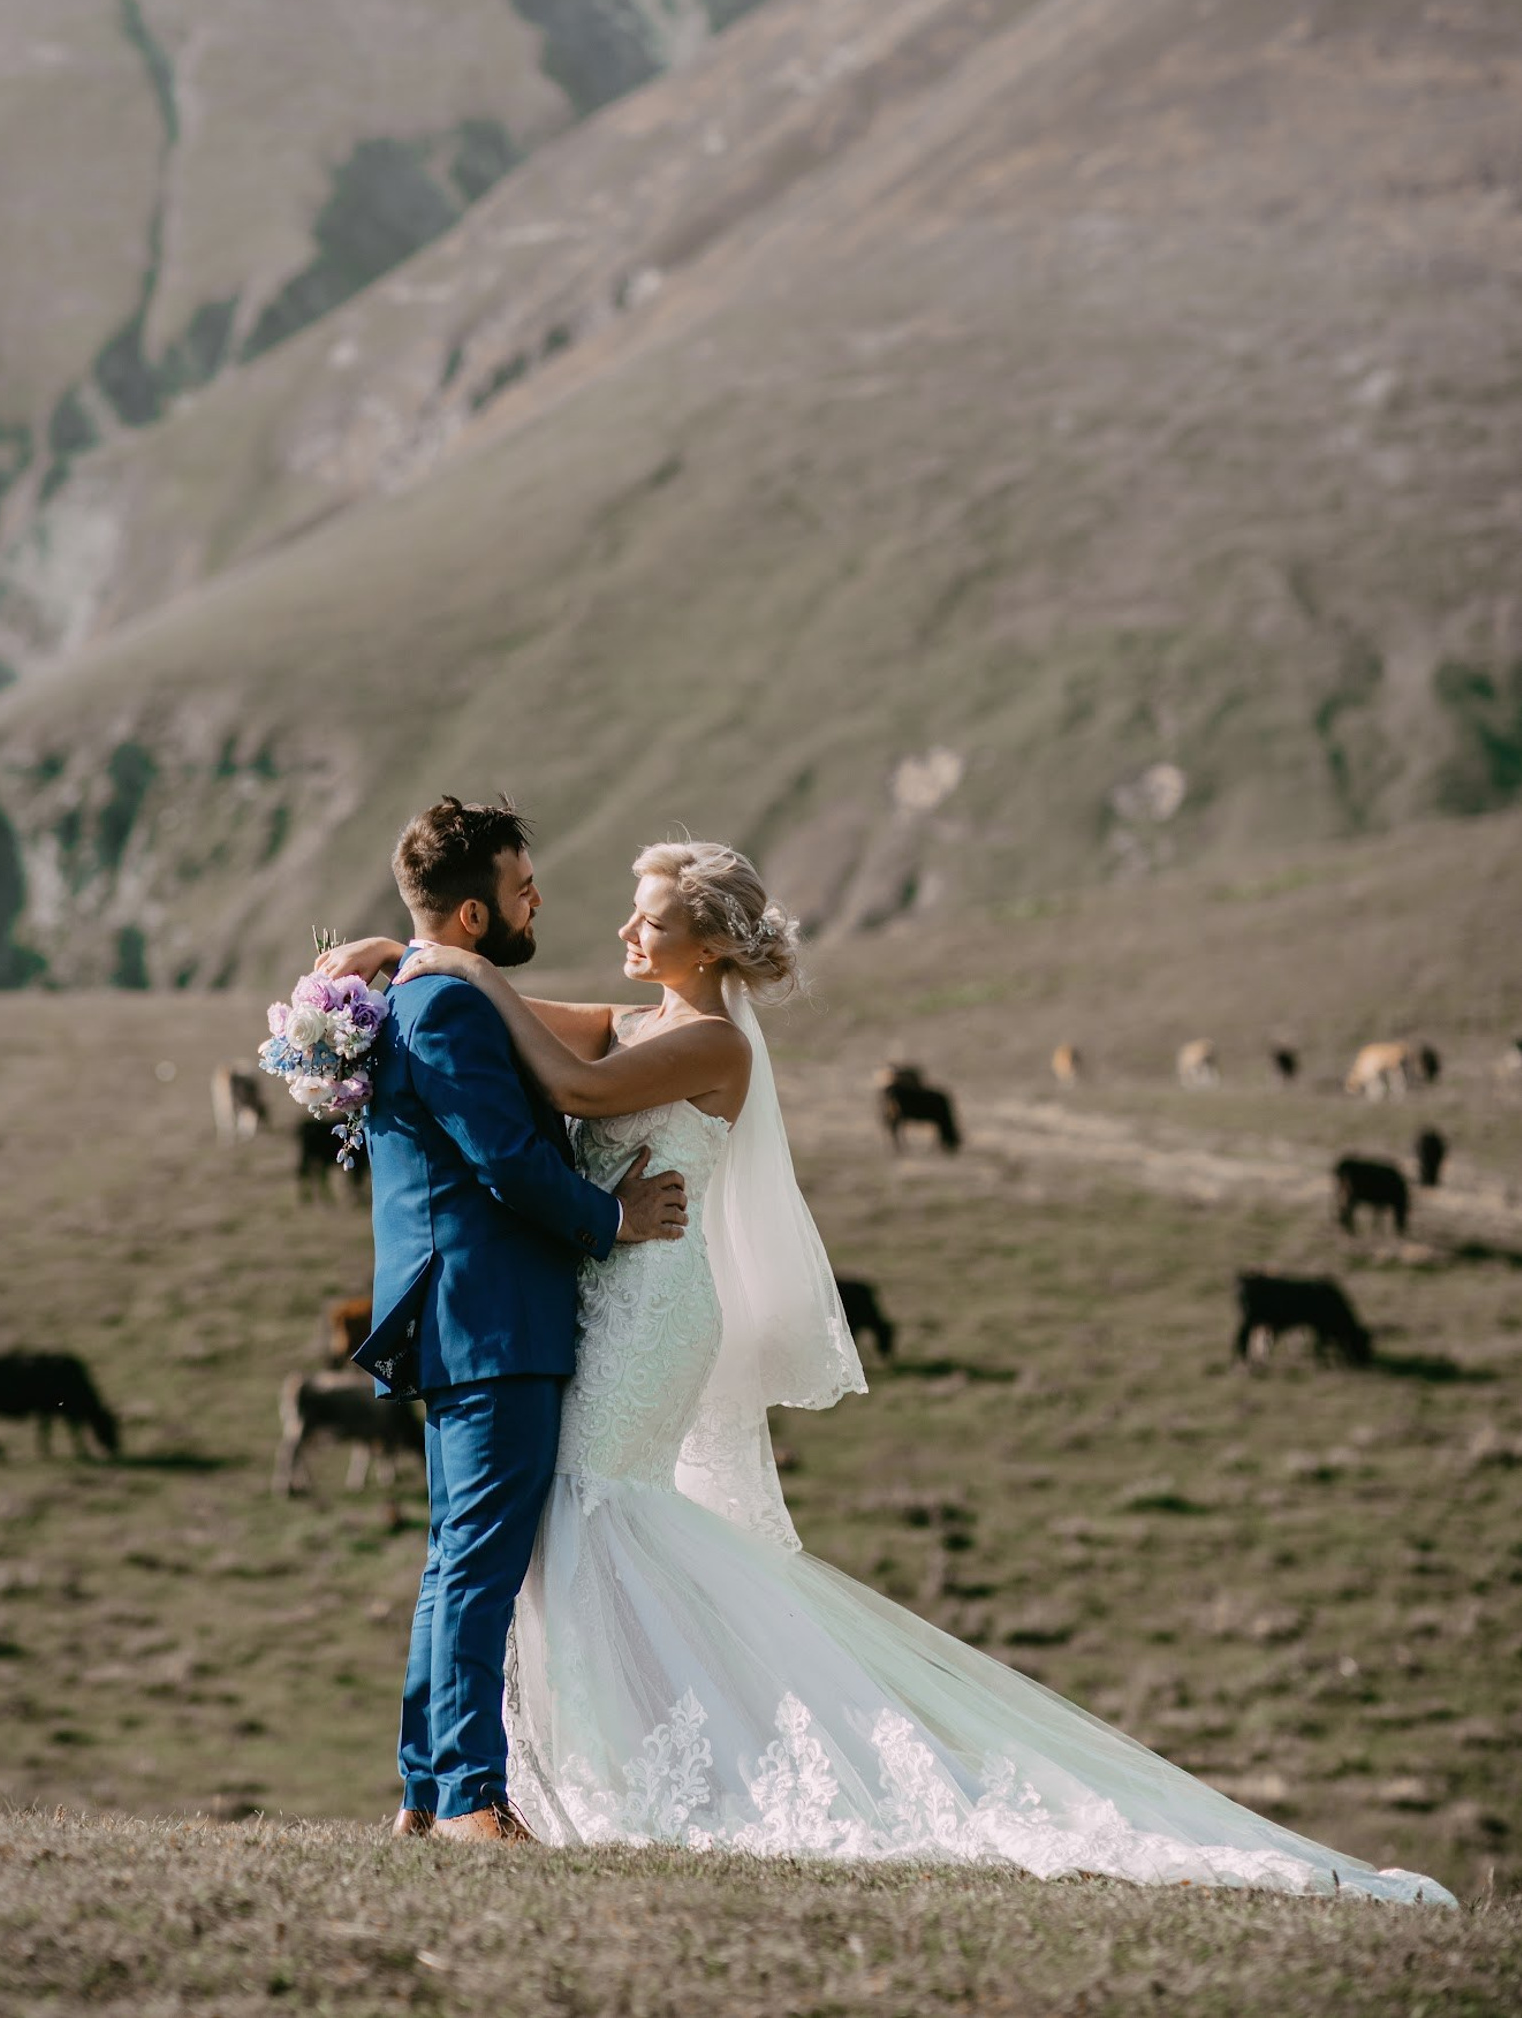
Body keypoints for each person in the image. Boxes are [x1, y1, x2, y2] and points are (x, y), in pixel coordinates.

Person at [324, 835, 1454, 1902]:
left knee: (598, 1513)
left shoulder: (710, 1044)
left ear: (708, 946)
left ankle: (590, 1774)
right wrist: (402, 958)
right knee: (577, 1527)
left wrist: (452, 962)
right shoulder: (639, 1019)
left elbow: (561, 1083)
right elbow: (519, 1017)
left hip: (651, 1310)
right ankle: (544, 1774)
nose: (625, 928)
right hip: (605, 1297)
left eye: (650, 917)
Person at [348, 797, 689, 1844]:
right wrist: (612, 1217)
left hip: (470, 1312)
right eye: (520, 885)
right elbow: (504, 1161)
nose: (537, 894)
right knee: (480, 1562)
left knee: (459, 1555)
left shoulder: (424, 990)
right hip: (489, 1314)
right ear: (473, 916)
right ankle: (466, 1801)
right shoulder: (443, 1009)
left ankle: (423, 1794)